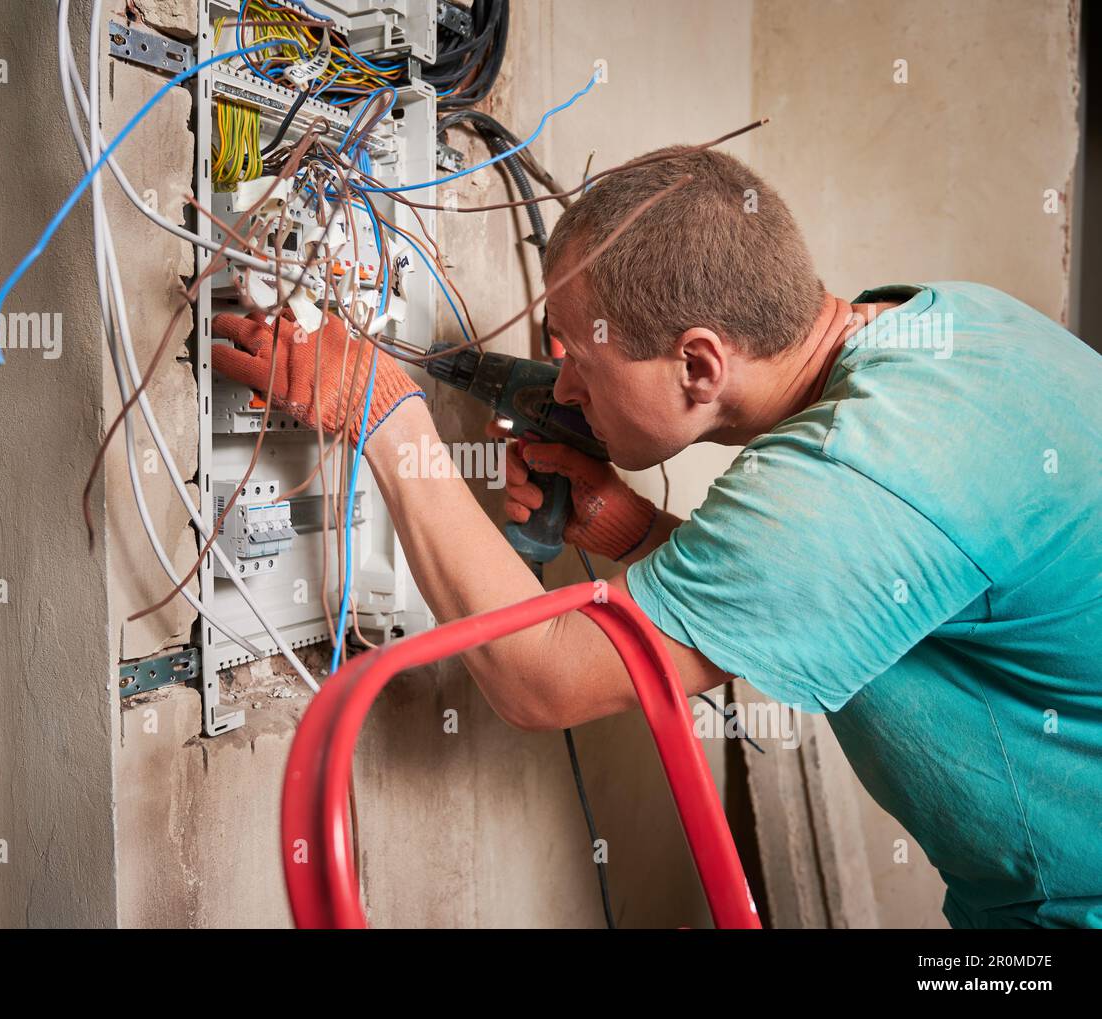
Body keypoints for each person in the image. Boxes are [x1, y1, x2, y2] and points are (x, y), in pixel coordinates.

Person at [211, 145, 1102, 929]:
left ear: (700, 363)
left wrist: (389, 419)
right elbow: (845, 581)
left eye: (581, 360)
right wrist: (633, 530)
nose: (560, 392)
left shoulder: (855, 474)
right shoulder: (950, 328)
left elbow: (542, 678)